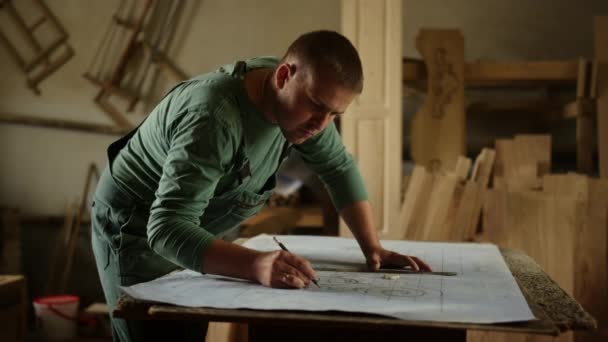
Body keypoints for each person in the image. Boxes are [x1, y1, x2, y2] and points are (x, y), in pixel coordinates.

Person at [91, 30, 432, 342]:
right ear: (284, 75)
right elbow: (165, 228)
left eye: (334, 115)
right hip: (136, 228)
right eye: (317, 107)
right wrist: (256, 264)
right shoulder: (213, 117)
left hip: (190, 224)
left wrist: (374, 249)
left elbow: (338, 167)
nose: (322, 125)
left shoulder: (299, 98)